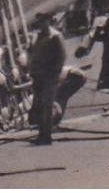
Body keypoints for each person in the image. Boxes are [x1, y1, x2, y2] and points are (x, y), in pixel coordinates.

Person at [27, 13, 66, 145]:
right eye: (39, 22)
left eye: (43, 21)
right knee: (38, 104)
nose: (41, 24)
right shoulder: (36, 37)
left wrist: (55, 72)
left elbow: (61, 56)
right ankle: (40, 134)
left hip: (49, 75)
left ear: (48, 22)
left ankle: (46, 135)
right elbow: (32, 53)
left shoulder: (55, 36)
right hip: (37, 75)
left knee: (47, 104)